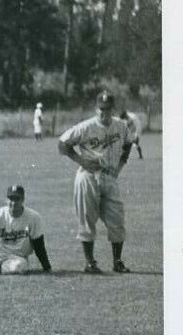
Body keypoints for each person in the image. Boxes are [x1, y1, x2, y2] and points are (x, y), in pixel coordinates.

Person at [57, 89, 136, 274]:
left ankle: (117, 261)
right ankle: (90, 262)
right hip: (88, 176)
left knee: (117, 218)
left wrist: (120, 166)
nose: (104, 112)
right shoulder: (86, 126)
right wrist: (81, 161)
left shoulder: (121, 126)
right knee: (87, 218)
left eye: (107, 109)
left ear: (113, 109)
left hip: (109, 176)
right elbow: (62, 144)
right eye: (101, 108)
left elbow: (129, 143)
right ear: (96, 108)